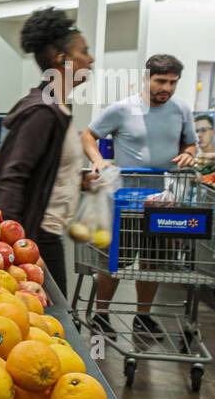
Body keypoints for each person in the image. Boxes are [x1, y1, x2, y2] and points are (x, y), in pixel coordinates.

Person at [82, 54, 197, 338]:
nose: (167, 88)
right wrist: (98, 160)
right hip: (124, 198)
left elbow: (191, 143)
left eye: (172, 82)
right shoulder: (122, 109)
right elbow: (88, 135)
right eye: (161, 81)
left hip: (163, 198)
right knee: (114, 260)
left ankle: (142, 317)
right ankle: (102, 314)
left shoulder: (182, 110)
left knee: (152, 261)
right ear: (146, 79)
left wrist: (188, 154)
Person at [0, 7, 95, 288]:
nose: (90, 60)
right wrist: (10, 245)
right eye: (84, 52)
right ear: (63, 59)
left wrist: (79, 180)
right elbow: (13, 176)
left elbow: (43, 169)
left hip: (45, 231)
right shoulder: (42, 112)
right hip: (35, 235)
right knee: (53, 322)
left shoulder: (57, 107)